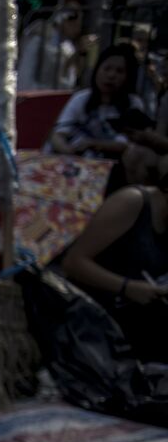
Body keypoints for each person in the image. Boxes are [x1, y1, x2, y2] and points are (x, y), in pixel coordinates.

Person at [61, 159, 168, 363]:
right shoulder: (133, 202)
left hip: (134, 319)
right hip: (91, 314)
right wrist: (127, 287)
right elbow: (73, 262)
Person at [49, 44, 146, 162]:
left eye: (119, 71)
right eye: (107, 69)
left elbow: (126, 144)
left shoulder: (133, 103)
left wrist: (94, 144)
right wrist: (68, 151)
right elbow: (58, 134)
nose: (111, 75)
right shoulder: (81, 98)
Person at [17, 0, 84, 92]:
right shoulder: (38, 39)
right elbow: (25, 77)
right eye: (76, 22)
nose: (78, 27)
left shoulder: (69, 48)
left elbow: (68, 82)